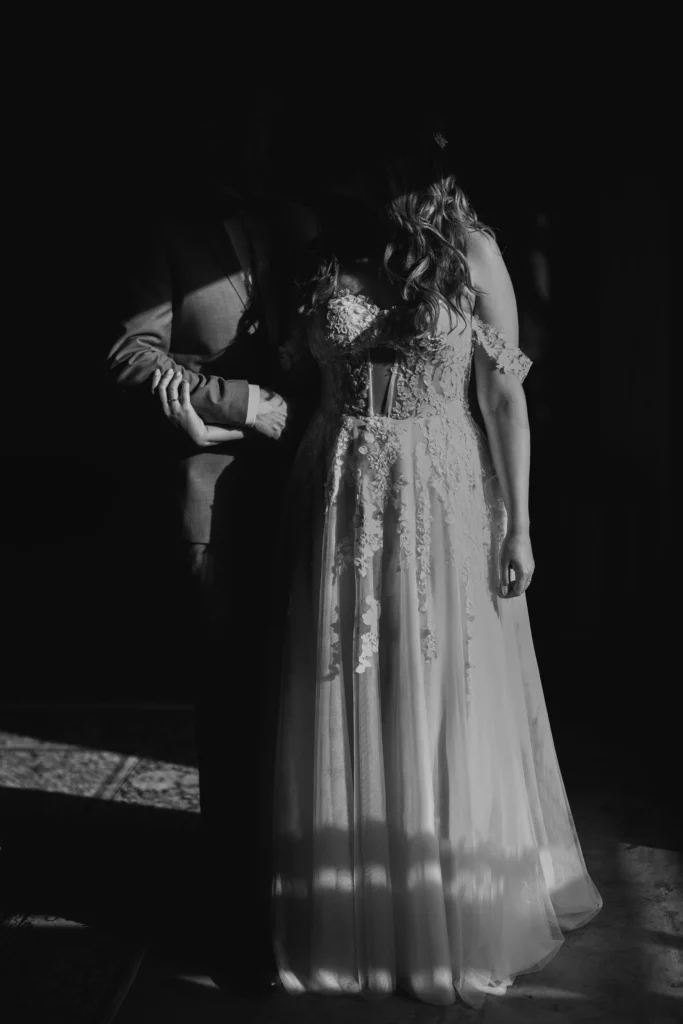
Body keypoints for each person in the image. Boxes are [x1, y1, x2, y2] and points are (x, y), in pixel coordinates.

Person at [153, 116, 603, 1009]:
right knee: (340, 684)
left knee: (433, 687)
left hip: (440, 492)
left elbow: (504, 396)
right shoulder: (318, 252)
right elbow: (284, 373)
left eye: (351, 165)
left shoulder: (471, 252)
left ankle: (442, 900)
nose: (327, 178)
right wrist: (203, 406)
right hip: (333, 494)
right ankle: (355, 902)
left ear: (398, 169)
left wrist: (517, 526)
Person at [106, 96, 314, 994]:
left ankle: (304, 902)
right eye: (246, 133)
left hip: (311, 496)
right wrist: (238, 403)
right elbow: (131, 354)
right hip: (218, 504)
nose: (260, 146)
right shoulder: (166, 236)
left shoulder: (297, 223)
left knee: (300, 710)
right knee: (230, 712)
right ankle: (233, 920)